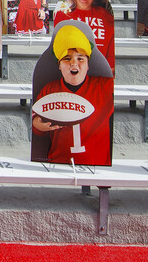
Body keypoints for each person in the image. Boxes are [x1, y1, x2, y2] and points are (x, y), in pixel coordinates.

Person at [32, 24, 113, 166]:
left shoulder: (104, 87)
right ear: (59, 65)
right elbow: (36, 123)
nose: (74, 63)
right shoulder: (49, 90)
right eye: (67, 58)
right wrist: (37, 125)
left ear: (88, 65)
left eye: (80, 59)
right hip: (58, 162)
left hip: (98, 164)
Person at [55, 0, 115, 71]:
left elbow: (111, 60)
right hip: (71, 72)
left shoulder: (105, 16)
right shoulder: (62, 15)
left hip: (99, 74)